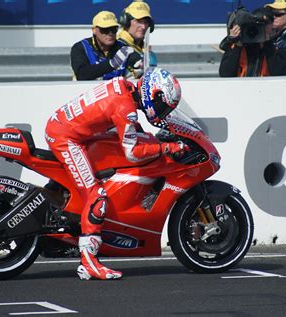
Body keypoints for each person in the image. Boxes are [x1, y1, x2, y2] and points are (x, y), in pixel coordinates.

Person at [44, 68, 187, 280]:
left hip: (70, 129)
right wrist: (167, 148)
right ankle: (89, 262)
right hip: (67, 138)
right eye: (162, 105)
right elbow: (133, 153)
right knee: (97, 196)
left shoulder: (124, 86)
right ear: (152, 93)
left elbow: (122, 123)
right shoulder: (126, 106)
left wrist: (147, 135)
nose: (162, 112)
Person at [70, 11, 141, 80]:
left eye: (113, 29)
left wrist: (141, 64)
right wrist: (112, 64)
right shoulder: (81, 47)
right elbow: (81, 74)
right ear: (94, 30)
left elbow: (136, 60)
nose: (110, 33)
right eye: (105, 29)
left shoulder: (123, 47)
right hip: (85, 90)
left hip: (114, 91)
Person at [219, 7, 286, 77]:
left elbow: (278, 73)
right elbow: (225, 74)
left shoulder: (279, 51)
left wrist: (267, 42)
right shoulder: (238, 49)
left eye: (264, 25)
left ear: (272, 26)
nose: (258, 29)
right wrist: (237, 45)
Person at [118, 1, 157, 77]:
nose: (143, 27)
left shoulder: (145, 50)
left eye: (145, 22)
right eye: (139, 21)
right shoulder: (117, 47)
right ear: (126, 21)